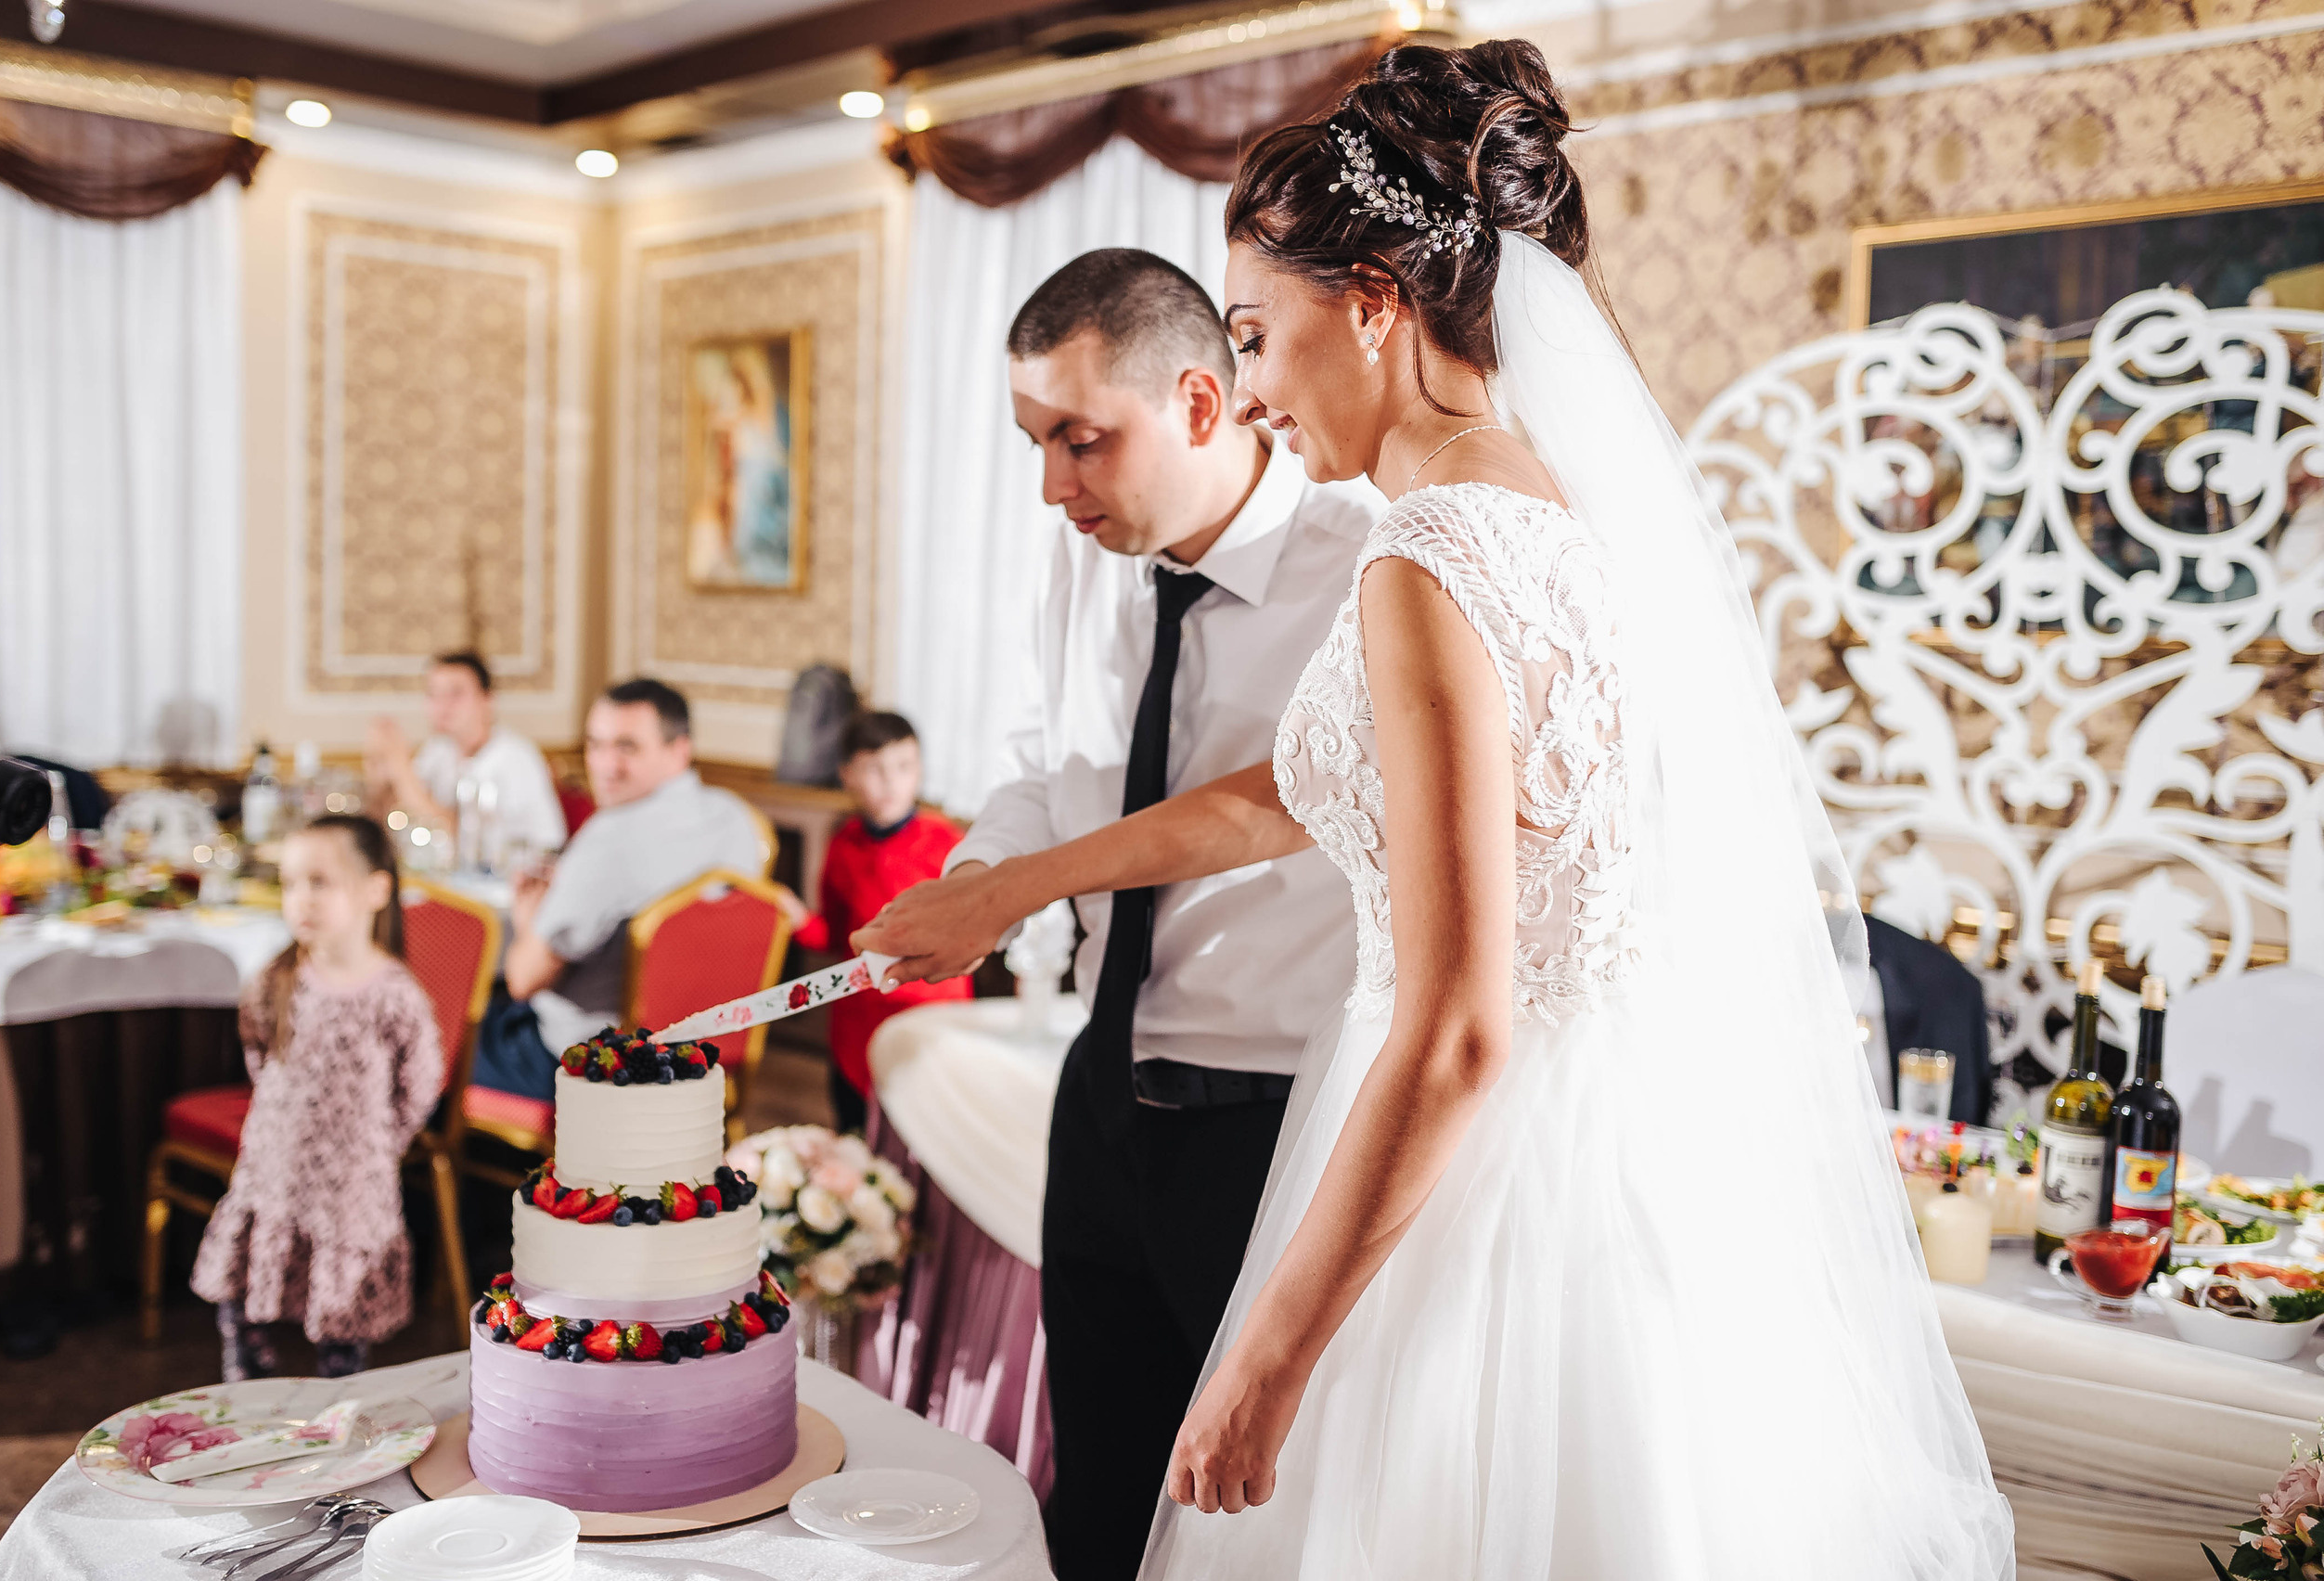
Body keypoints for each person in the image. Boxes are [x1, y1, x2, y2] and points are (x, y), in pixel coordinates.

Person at [863, 42, 2011, 1581]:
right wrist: (1014, 884)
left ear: (1378, 304)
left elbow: (1464, 1019)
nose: (1254, 391)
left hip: (1472, 1186)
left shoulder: (1425, 556)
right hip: (1586, 1170)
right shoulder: (1545, 506)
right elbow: (1304, 800)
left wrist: (1267, 1351)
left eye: (1261, 336)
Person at [859, 247, 1379, 1580]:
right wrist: (969, 884)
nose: (1053, 486)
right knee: (1097, 1484)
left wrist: (1012, 890)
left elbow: (1272, 804)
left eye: (1082, 442)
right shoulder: (1082, 562)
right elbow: (1044, 770)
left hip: (1269, 1114)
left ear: (1203, 403)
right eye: (1036, 443)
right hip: (1103, 1085)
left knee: (1254, 1514)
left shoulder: (1363, 567)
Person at [190, 814, 444, 1382]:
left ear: (376, 890)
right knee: (243, 1293)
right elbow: (259, 1055)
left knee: (340, 1314)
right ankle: (247, 1383)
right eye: (290, 883)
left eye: (320, 882)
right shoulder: (275, 981)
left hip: (351, 1185)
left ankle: (338, 1404)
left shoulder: (395, 995)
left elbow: (419, 1084)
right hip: (274, 1169)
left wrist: (375, 1143)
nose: (300, 898)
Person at [477, 677, 781, 1099]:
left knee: (444, 1028)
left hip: (595, 1066)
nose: (604, 765)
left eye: (627, 747)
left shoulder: (610, 839)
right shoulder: (737, 818)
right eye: (595, 745)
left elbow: (523, 979)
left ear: (680, 750)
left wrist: (530, 918)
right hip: (703, 1056)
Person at [788, 711, 971, 1135]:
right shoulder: (843, 843)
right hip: (857, 1025)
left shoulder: (947, 844)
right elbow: (836, 936)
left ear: (920, 771)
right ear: (847, 774)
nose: (889, 781)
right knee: (855, 1133)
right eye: (873, 768)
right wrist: (794, 918)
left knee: (925, 1140)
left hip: (927, 1019)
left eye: (903, 767)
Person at [365, 651, 567, 864]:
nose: (442, 705)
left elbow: (456, 836)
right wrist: (379, 768)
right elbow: (398, 813)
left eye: (455, 694)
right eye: (433, 694)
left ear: (487, 700)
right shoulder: (439, 750)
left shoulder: (515, 758)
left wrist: (400, 764)